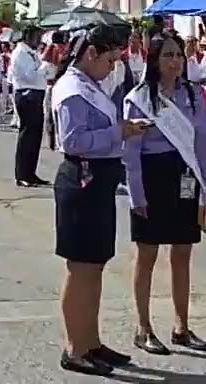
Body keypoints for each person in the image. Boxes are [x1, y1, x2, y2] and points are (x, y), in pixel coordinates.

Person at [52, 26, 149, 376]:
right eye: (109, 60)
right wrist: (118, 132)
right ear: (90, 54)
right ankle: (75, 349)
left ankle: (90, 341)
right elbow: (74, 141)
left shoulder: (90, 86)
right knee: (80, 269)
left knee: (95, 267)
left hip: (99, 181)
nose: (112, 68)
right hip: (81, 181)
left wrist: (123, 129)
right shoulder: (72, 89)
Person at [122, 32, 206, 355]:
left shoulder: (192, 95)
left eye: (178, 54)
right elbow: (131, 153)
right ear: (154, 59)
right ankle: (143, 327)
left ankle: (182, 326)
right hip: (153, 177)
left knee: (182, 253)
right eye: (167, 55)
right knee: (147, 255)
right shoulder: (139, 97)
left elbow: (203, 142)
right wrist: (137, 196)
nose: (175, 60)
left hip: (185, 177)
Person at [11, 26, 49, 187]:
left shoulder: (32, 53)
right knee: (27, 136)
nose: (39, 41)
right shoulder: (21, 53)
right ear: (28, 37)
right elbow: (29, 76)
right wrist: (45, 64)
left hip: (36, 94)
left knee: (35, 136)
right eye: (37, 37)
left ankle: (31, 172)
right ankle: (22, 174)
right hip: (27, 94)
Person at [43, 31, 69, 151]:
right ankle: (58, 141)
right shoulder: (64, 51)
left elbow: (44, 66)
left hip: (53, 85)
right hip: (60, 85)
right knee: (58, 115)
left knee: (51, 114)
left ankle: (53, 142)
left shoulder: (52, 51)